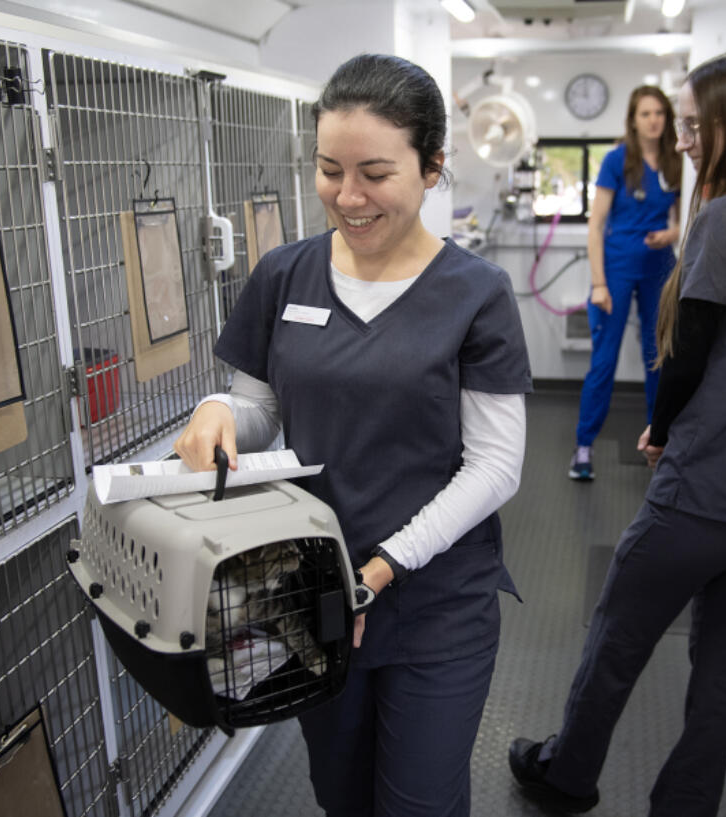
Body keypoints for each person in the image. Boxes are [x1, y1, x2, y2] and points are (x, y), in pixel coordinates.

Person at [173, 54, 532, 817]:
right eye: (329, 169)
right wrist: (217, 412)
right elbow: (261, 410)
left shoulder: (476, 295)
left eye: (374, 172)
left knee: (420, 803)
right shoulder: (284, 275)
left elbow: (496, 466)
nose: (347, 196)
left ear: (433, 167)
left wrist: (382, 567)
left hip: (436, 600)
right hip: (315, 596)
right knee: (342, 795)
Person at [509, 48, 726, 816]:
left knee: (616, 634)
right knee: (721, 668)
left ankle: (567, 774)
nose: (684, 139)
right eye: (679, 124)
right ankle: (685, 804)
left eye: (696, 125)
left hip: (703, 492)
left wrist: (659, 426)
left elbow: (689, 349)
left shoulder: (725, 219)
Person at [569, 84, 682, 481]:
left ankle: (658, 445)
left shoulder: (676, 162)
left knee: (659, 359)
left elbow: (683, 219)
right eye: (645, 114)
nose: (653, 120)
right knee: (604, 361)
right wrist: (598, 283)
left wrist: (672, 234)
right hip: (615, 266)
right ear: (633, 121)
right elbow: (596, 225)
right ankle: (583, 447)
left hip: (659, 268)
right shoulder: (617, 161)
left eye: (659, 113)